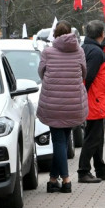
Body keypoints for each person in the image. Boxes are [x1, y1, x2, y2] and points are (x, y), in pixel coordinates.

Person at [37, 22, 88, 193]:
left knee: (58, 141)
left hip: (53, 103)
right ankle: (52, 180)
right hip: (73, 102)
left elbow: (41, 73)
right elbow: (84, 72)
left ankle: (66, 180)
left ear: (55, 34)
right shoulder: (79, 51)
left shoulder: (48, 52)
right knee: (63, 141)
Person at [78, 20, 105, 183]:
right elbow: (88, 77)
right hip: (95, 100)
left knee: (96, 135)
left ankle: (101, 168)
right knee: (93, 137)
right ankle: (83, 171)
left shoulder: (89, 48)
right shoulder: (95, 52)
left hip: (96, 99)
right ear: (102, 33)